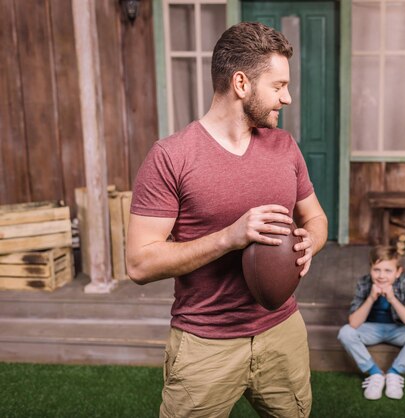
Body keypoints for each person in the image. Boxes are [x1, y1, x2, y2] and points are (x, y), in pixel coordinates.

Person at [125, 22, 328, 418]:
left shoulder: (285, 146)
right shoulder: (171, 157)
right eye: (278, 85)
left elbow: (315, 217)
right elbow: (139, 263)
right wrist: (229, 237)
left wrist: (311, 243)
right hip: (205, 342)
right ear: (241, 83)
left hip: (282, 330)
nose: (287, 98)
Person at [337, 246, 405, 400]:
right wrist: (371, 298)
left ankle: (394, 373)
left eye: (388, 271)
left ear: (398, 272)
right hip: (371, 330)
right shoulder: (364, 283)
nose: (381, 276)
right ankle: (375, 374)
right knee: (345, 332)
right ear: (370, 269)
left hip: (398, 330)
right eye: (376, 270)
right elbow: (353, 323)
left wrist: (392, 298)